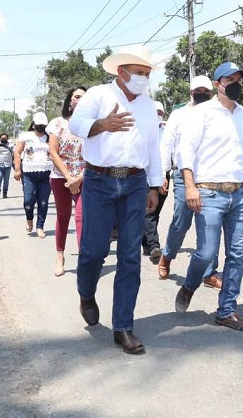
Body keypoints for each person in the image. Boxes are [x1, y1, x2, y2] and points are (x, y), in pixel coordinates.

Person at [68, 44, 163, 355]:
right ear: (122, 73)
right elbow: (75, 125)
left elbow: (152, 148)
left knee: (130, 257)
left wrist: (153, 185)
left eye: (148, 74)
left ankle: (123, 326)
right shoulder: (98, 95)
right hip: (99, 180)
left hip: (135, 182)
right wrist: (100, 126)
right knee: (94, 251)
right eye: (139, 73)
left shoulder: (149, 106)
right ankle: (86, 293)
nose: (144, 79)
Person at [174, 61, 243, 332]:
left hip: (239, 194)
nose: (236, 84)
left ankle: (227, 310)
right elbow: (185, 153)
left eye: (240, 79)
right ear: (218, 84)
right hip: (209, 193)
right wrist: (190, 187)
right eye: (230, 79)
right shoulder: (201, 113)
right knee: (205, 253)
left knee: (236, 254)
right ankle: (190, 285)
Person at [157, 74, 221, 287]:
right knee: (181, 222)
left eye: (206, 91)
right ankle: (167, 255)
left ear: (211, 93)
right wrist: (163, 174)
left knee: (211, 224)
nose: (202, 94)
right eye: (198, 91)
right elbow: (167, 144)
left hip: (210, 176)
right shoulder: (179, 115)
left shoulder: (218, 113)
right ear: (191, 93)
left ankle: (210, 272)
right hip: (184, 176)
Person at [47, 86, 88, 277]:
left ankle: (84, 260)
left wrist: (79, 177)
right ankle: (60, 256)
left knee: (82, 218)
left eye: (84, 97)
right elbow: (53, 152)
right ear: (70, 101)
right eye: (77, 97)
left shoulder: (92, 125)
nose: (80, 100)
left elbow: (96, 154)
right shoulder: (58, 123)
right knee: (63, 216)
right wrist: (69, 177)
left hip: (84, 177)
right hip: (60, 177)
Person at [14, 113, 53, 237]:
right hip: (29, 174)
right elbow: (17, 152)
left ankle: (40, 226)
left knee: (43, 202)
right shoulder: (26, 136)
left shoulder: (50, 137)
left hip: (46, 174)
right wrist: (17, 169)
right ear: (33, 124)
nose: (40, 128)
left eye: (43, 125)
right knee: (28, 201)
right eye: (38, 125)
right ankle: (29, 219)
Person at [142, 101, 168, 263]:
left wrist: (164, 174)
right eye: (155, 112)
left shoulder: (167, 131)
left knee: (155, 211)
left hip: (164, 175)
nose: (157, 115)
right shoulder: (144, 130)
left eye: (160, 112)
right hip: (145, 175)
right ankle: (153, 245)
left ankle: (146, 243)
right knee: (149, 211)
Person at [0, 133, 13, 199]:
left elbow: (14, 153)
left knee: (6, 180)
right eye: (2, 138)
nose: (3, 139)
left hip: (8, 165)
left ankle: (5, 193)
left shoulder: (10, 145)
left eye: (5, 138)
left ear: (7, 138)